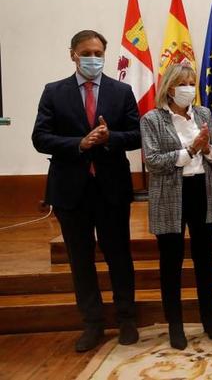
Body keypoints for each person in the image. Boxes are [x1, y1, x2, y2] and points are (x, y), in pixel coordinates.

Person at [32, 29, 141, 352]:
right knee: (81, 259)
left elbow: (136, 134)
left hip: (111, 188)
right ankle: (92, 324)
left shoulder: (121, 91)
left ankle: (126, 319)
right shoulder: (54, 92)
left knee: (119, 256)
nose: (93, 58)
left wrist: (112, 138)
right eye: (86, 53)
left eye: (98, 52)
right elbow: (40, 137)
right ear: (73, 55)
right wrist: (78, 144)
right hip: (71, 190)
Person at [140, 63, 212, 350]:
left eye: (192, 82)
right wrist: (189, 150)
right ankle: (175, 325)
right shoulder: (152, 119)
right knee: (171, 263)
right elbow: (153, 161)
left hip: (202, 190)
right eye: (182, 83)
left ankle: (208, 319)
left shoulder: (203, 113)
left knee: (205, 260)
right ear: (170, 88)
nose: (188, 88)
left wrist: (206, 148)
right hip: (170, 194)